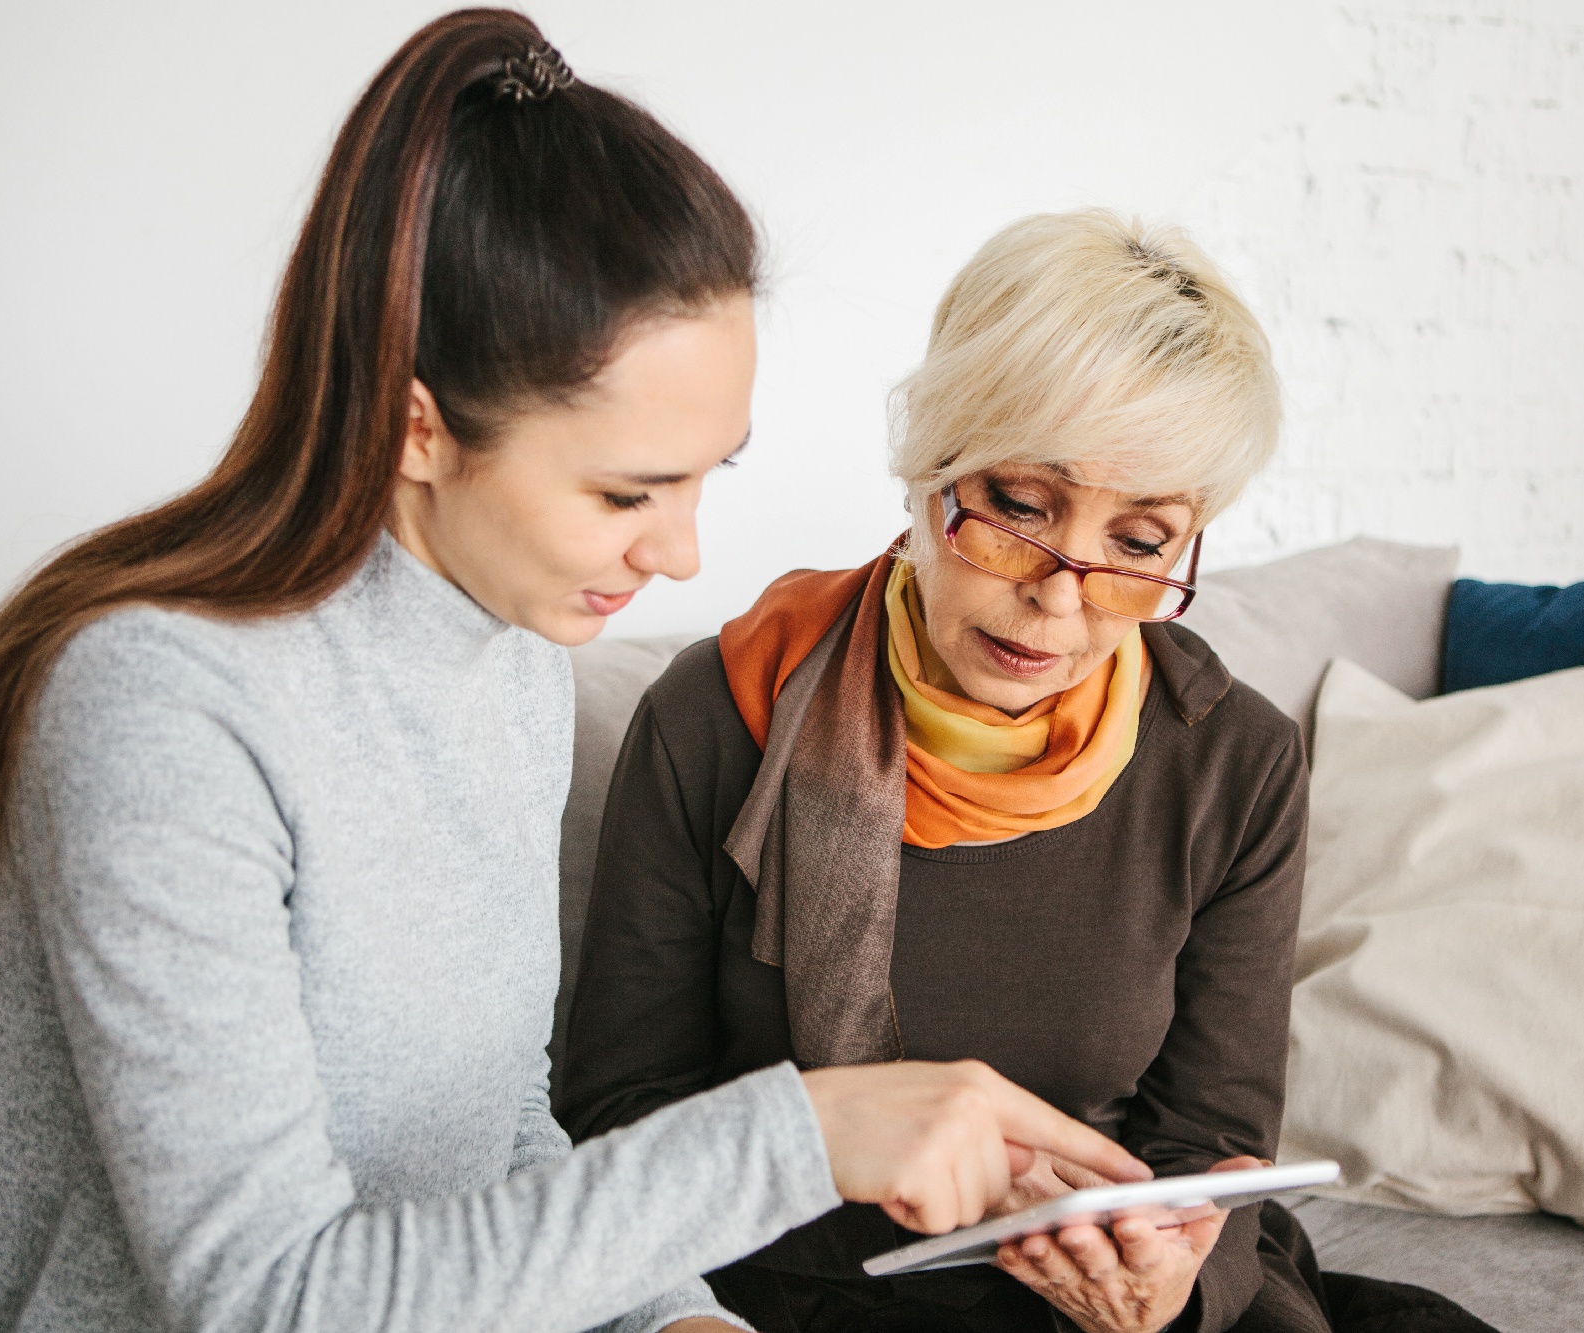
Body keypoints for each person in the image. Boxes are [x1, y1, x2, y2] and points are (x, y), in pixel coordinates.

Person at [0, 16, 1151, 1332]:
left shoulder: (511, 662)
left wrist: (677, 1317)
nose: (680, 551)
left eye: (706, 475)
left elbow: (491, 1144)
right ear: (415, 426)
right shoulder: (163, 704)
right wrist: (802, 1134)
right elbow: (263, 1296)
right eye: (628, 490)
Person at [559, 212, 1498, 1333]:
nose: (1061, 597)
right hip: (826, 1296)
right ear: (928, 472)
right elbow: (618, 1115)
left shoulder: (1231, 762)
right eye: (1017, 508)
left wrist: (1167, 1288)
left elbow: (1210, 1138)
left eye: (1138, 544)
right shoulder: (716, 719)